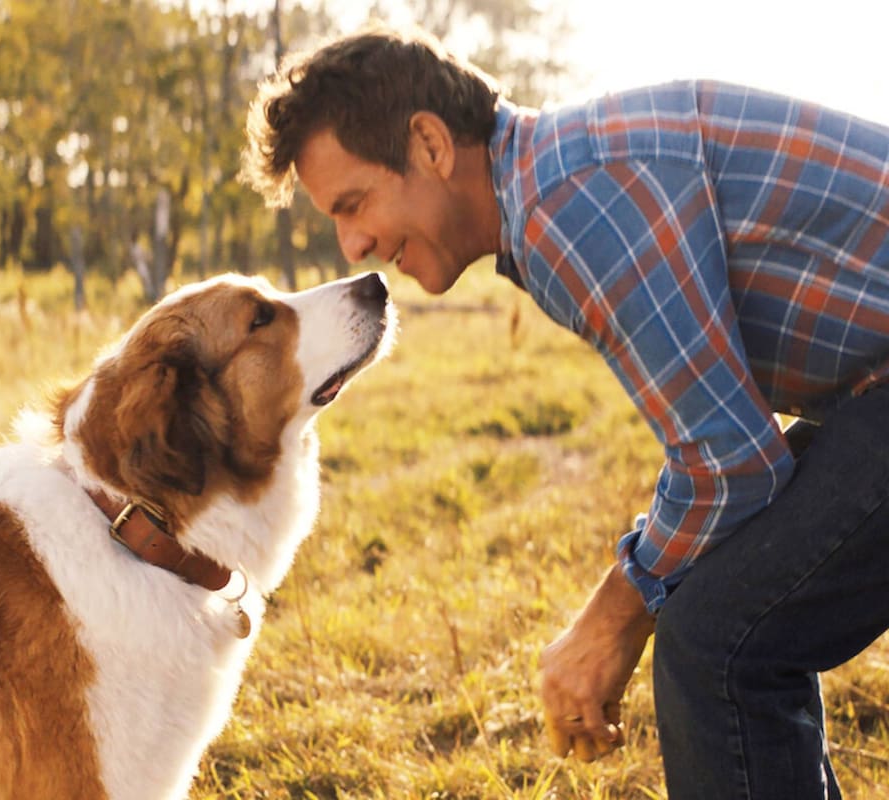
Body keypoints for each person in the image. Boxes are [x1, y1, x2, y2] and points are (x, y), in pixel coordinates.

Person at [239, 23, 889, 800]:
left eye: (354, 204)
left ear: (430, 145)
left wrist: (615, 613)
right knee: (720, 617)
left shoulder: (572, 203)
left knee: (719, 639)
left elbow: (731, 465)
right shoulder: (558, 185)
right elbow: (734, 451)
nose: (352, 246)